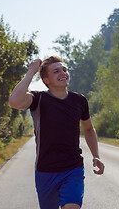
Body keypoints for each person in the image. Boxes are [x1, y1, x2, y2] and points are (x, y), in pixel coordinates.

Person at [9, 56, 105, 209]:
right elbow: (14, 101)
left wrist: (96, 156)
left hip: (73, 168)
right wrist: (31, 72)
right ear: (46, 80)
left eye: (64, 70)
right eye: (56, 71)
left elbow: (88, 128)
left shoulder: (79, 100)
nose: (63, 73)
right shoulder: (37, 99)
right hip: (45, 171)